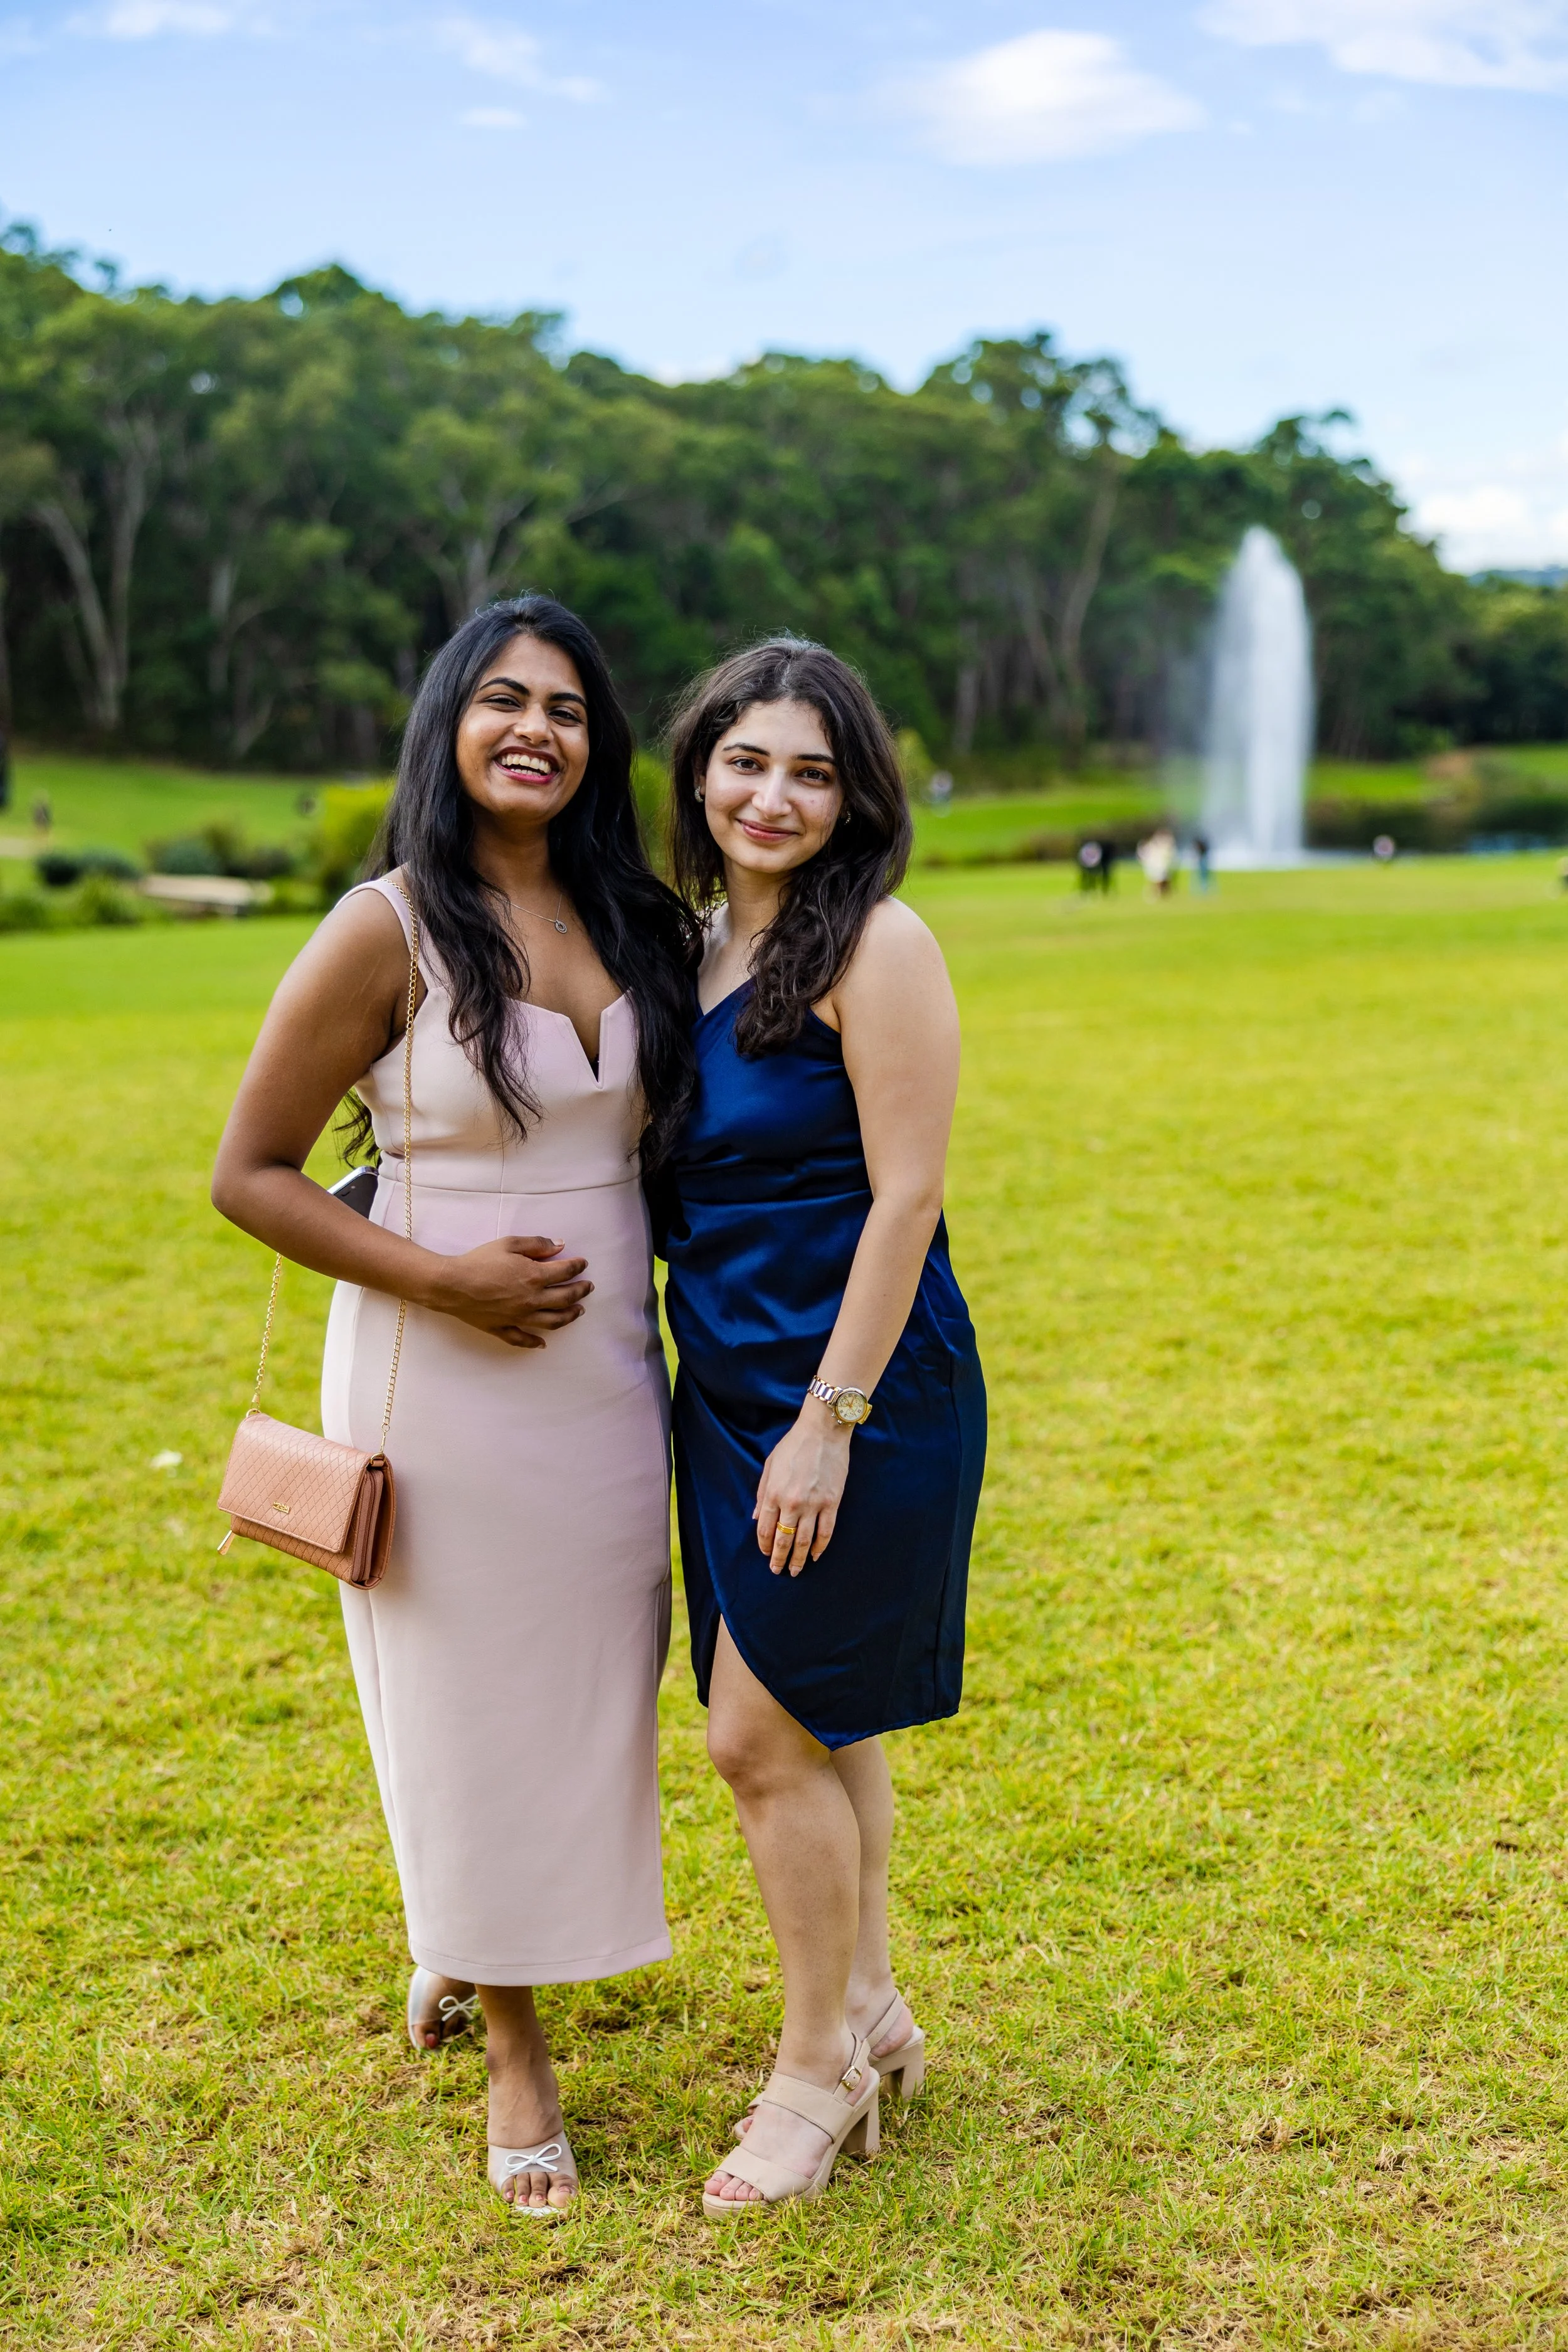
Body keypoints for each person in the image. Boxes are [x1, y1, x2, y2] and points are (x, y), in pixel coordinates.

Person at [211, 595, 697, 2217]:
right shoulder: (387, 923)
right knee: (469, 1696)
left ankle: (465, 1925)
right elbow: (250, 1173)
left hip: (608, 1376)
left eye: (565, 706)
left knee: (593, 1682)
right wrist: (444, 1282)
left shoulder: (632, 911)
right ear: (448, 723)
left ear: (595, 743)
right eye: (502, 699)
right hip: (447, 1380)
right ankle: (510, 2038)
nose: (535, 729)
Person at [655, 638, 987, 2217]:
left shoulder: (881, 943)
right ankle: (868, 2010)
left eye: (809, 769)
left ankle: (809, 2077)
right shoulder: (693, 947)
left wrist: (828, 1422)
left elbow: (905, 1197)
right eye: (744, 760)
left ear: (854, 794)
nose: (771, 795)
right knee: (818, 1710)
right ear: (698, 768)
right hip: (719, 1385)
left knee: (753, 1733)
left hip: (852, 1387)